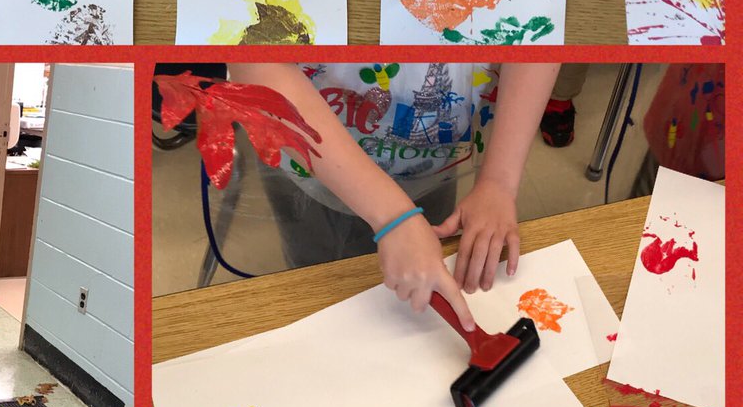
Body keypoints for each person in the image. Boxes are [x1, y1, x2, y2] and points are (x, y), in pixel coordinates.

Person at [229, 62, 560, 331]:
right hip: (312, 160)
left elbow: (543, 17)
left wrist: (499, 181)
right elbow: (253, 57)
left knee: (420, 278)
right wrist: (393, 216)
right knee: (328, 296)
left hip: (432, 161)